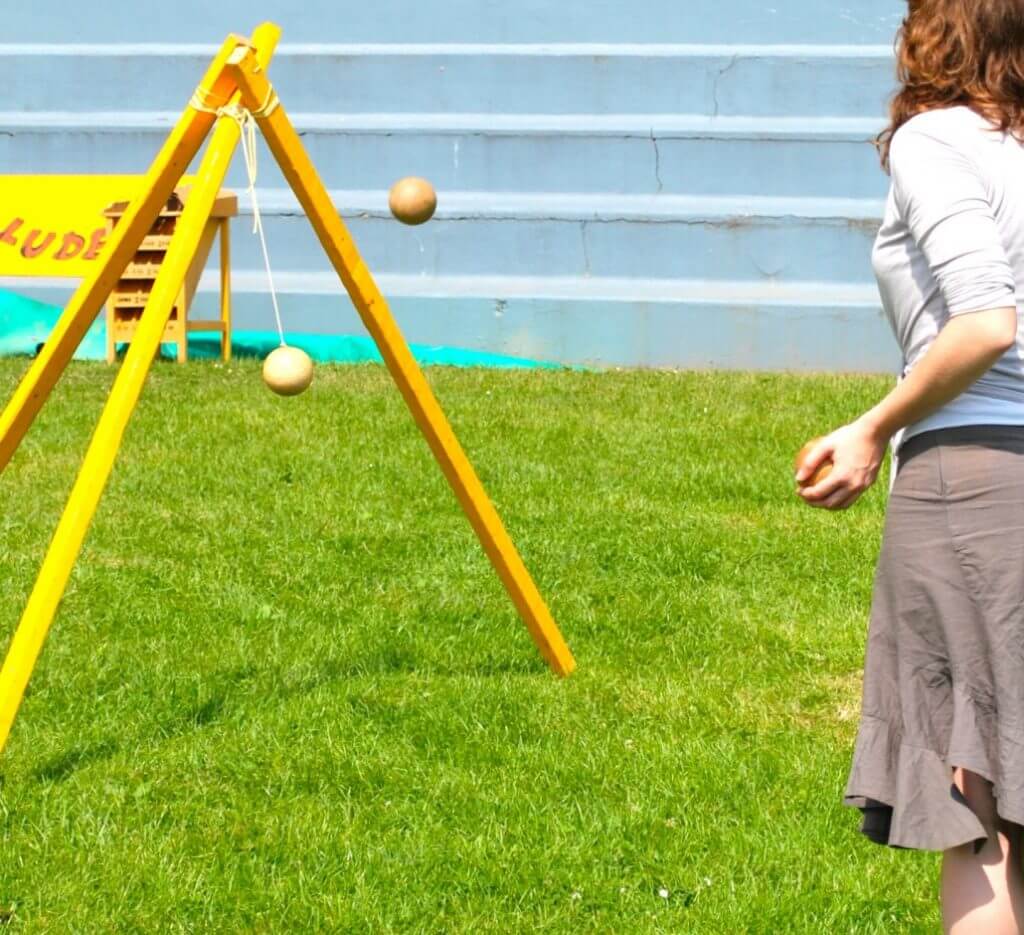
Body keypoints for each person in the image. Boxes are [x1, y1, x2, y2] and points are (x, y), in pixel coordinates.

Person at [795, 1, 1024, 931]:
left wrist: (874, 427)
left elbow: (983, 321)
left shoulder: (938, 139)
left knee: (981, 810)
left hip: (975, 482)